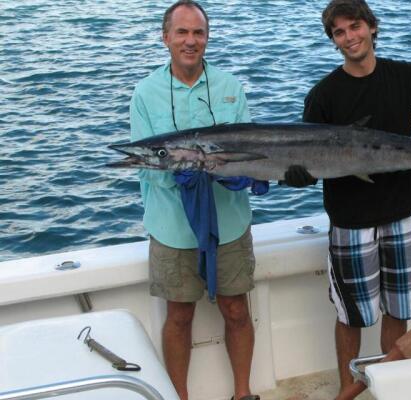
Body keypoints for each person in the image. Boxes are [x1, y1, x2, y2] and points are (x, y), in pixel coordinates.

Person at [291, 0, 411, 395]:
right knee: (351, 316)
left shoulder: (403, 77)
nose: (350, 37)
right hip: (350, 220)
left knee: (398, 311)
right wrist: (297, 176)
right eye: (339, 32)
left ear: (372, 26)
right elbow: (304, 156)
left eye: (355, 27)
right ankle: (347, 387)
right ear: (332, 40)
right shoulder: (324, 96)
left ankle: (394, 387)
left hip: (400, 214)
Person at [129, 1, 259, 399]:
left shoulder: (229, 87)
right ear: (165, 37)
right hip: (171, 228)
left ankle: (242, 394)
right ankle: (178, 397)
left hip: (229, 222)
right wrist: (180, 178)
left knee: (237, 309)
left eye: (198, 32)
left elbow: (251, 150)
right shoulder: (145, 93)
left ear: (207, 37)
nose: (190, 41)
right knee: (179, 316)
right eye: (182, 32)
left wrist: (249, 174)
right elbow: (144, 166)